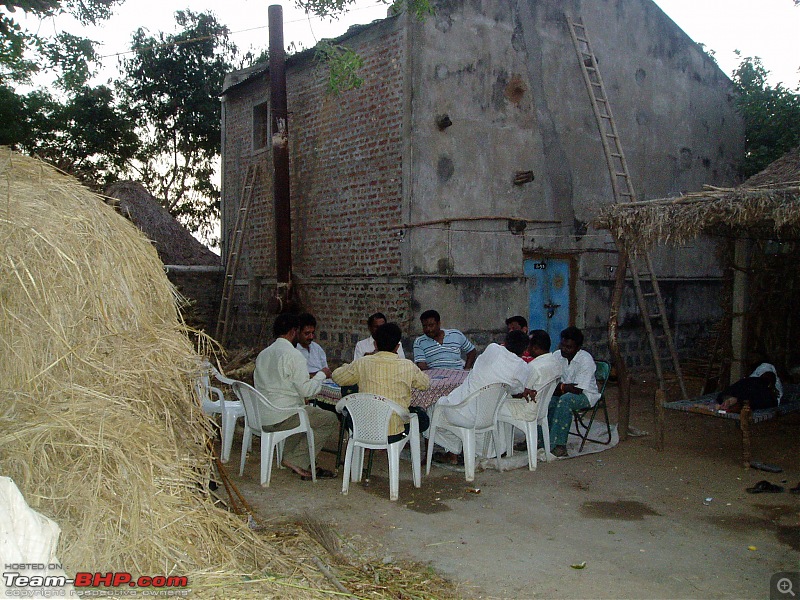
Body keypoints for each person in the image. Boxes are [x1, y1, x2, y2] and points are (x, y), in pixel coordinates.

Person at [427, 330, 534, 464]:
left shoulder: (492, 349)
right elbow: (516, 391)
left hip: (462, 411)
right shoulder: (522, 367)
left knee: (434, 410)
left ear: (505, 342)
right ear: (525, 350)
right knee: (449, 411)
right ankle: (461, 453)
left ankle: (452, 453)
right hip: (488, 417)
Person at [254, 312, 338, 480]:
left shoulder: (264, 353)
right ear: (293, 332)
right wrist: (322, 374)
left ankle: (290, 457)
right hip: (282, 416)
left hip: (261, 416)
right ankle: (297, 460)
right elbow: (307, 391)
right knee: (328, 419)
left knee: (305, 412)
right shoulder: (293, 355)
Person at [333, 322, 430, 441]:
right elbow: (425, 384)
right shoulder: (408, 366)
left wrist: (347, 366)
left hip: (364, 430)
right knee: (423, 418)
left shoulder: (362, 363)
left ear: (375, 344)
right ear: (397, 347)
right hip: (395, 433)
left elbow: (337, 376)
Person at [548, 326, 600, 458]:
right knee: (547, 399)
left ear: (578, 348)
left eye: (569, 347)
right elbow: (548, 381)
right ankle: (542, 440)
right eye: (563, 345)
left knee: (565, 401)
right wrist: (563, 387)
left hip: (586, 395)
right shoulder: (557, 355)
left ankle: (560, 445)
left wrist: (559, 387)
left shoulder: (585, 360)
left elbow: (577, 390)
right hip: (564, 393)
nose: (564, 349)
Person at [499, 329, 562, 423]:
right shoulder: (555, 362)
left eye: (528, 345)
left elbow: (518, 391)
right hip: (541, 409)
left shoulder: (534, 367)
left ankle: (500, 437)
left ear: (535, 348)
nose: (527, 348)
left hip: (527, 410)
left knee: (494, 405)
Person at [715, 363, 782, 413]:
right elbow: (724, 394)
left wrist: (737, 401)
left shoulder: (772, 392)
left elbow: (764, 402)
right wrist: (727, 399)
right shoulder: (749, 382)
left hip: (751, 401)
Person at [296, 312, 332, 378]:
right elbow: (298, 377)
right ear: (298, 332)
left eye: (312, 333)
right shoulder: (293, 350)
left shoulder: (317, 348)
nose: (311, 337)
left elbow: (326, 371)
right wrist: (319, 375)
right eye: (307, 333)